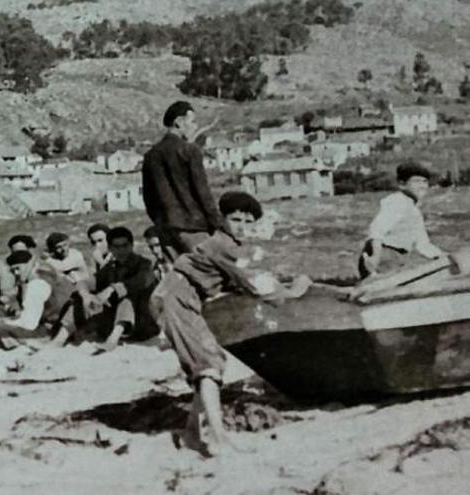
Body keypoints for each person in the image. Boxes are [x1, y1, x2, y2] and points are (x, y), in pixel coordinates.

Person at [151, 191, 311, 456]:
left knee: (205, 364)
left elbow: (239, 280)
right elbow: (254, 284)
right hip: (176, 297)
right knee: (209, 363)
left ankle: (192, 433)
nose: (243, 227)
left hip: (177, 295)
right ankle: (217, 439)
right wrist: (294, 292)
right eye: (236, 220)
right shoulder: (222, 245)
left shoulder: (227, 246)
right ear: (222, 220)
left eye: (249, 223)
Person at [142, 101, 229, 255]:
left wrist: (160, 223)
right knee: (211, 273)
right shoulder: (190, 150)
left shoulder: (151, 156)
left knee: (181, 275)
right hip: (194, 229)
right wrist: (221, 225)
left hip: (166, 232)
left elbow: (149, 199)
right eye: (192, 121)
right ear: (179, 122)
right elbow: (204, 194)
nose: (195, 126)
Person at [50, 227, 158, 352]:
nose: (121, 251)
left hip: (143, 323)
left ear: (132, 245)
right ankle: (60, 339)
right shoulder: (111, 267)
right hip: (114, 321)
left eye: (125, 246)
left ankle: (112, 341)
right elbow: (84, 282)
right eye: (116, 247)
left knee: (127, 297)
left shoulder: (144, 264)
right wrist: (86, 296)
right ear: (110, 248)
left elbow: (139, 282)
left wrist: (111, 289)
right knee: (80, 297)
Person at [358, 161, 444, 279]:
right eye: (416, 181)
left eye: (425, 182)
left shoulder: (413, 209)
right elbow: (376, 230)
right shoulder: (398, 202)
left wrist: (443, 256)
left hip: (398, 258)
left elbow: (422, 244)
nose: (422, 185)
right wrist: (374, 259)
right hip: (384, 255)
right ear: (402, 185)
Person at [0, 250, 76, 350]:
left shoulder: (36, 284)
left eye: (18, 268)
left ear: (30, 264)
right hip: (66, 322)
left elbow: (29, 323)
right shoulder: (47, 271)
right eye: (13, 271)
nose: (16, 273)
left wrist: (6, 322)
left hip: (52, 329)